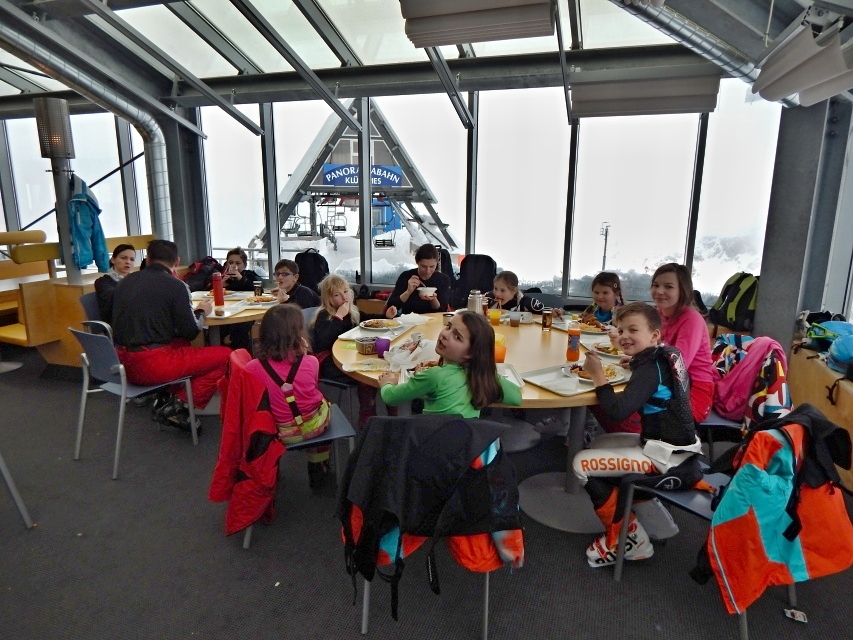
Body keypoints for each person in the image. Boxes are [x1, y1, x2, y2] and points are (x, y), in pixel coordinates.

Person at [573, 302, 703, 568]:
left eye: (633, 330)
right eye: (621, 330)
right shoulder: (661, 357)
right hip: (680, 447)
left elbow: (617, 411)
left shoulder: (648, 369)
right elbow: (657, 382)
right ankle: (657, 523)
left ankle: (630, 540)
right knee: (600, 444)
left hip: (665, 458)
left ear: (654, 335)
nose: (624, 336)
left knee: (580, 464)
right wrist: (634, 364)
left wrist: (598, 376)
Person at [112, 239, 231, 431]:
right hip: (152, 366)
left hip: (121, 364)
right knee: (226, 356)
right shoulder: (176, 286)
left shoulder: (125, 282)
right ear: (177, 261)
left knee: (181, 343)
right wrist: (202, 311)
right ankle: (178, 406)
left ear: (148, 259)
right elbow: (191, 331)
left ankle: (166, 397)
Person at [245, 305, 332, 488]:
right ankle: (318, 465)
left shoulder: (252, 368)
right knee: (322, 403)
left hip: (280, 432)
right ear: (299, 333)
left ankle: (273, 468)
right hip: (315, 426)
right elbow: (310, 386)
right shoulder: (312, 361)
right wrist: (305, 354)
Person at [377, 310, 522, 417]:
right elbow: (516, 398)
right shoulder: (483, 377)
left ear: (471, 353)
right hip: (467, 446)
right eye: (448, 326)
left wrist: (387, 383)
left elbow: (391, 398)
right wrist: (490, 375)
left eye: (457, 337)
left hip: (431, 443)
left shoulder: (434, 376)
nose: (445, 334)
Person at [310, 274, 395, 429]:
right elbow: (324, 340)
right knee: (365, 374)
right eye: (337, 295)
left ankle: (391, 411)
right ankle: (366, 415)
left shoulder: (351, 310)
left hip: (349, 354)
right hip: (331, 362)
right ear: (329, 299)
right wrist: (338, 317)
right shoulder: (324, 315)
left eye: (345, 291)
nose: (344, 297)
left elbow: (366, 319)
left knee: (383, 366)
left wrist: (385, 316)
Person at [650, 263, 717, 423]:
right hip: (665, 384)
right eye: (656, 285)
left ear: (682, 291)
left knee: (625, 410)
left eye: (668, 287)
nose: (659, 291)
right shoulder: (657, 314)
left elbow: (678, 365)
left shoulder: (691, 319)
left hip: (692, 391)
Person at [385, 244, 451, 315]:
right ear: (417, 262)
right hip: (409, 319)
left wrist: (433, 299)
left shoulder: (443, 279)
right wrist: (408, 292)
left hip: (434, 319)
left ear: (437, 263)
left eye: (432, 266)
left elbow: (443, 310)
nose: (427, 271)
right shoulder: (406, 276)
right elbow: (391, 306)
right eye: (423, 266)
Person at [218, 247, 260, 351]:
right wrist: (220, 286)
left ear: (244, 265)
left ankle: (241, 353)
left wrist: (241, 279)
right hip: (226, 311)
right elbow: (209, 294)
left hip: (246, 312)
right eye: (230, 263)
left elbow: (259, 292)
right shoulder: (222, 277)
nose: (234, 266)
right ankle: (221, 351)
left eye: (238, 263)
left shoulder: (249, 276)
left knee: (240, 328)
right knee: (218, 328)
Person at [485, 270, 564, 316]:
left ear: (514, 291)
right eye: (495, 288)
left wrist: (557, 312)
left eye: (502, 290)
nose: (497, 294)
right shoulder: (489, 298)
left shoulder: (527, 302)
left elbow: (549, 311)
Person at [94, 243, 135, 321]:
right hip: (117, 322)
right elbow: (116, 299)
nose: (128, 262)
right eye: (123, 258)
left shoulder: (135, 279)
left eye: (132, 259)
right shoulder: (102, 282)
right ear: (113, 260)